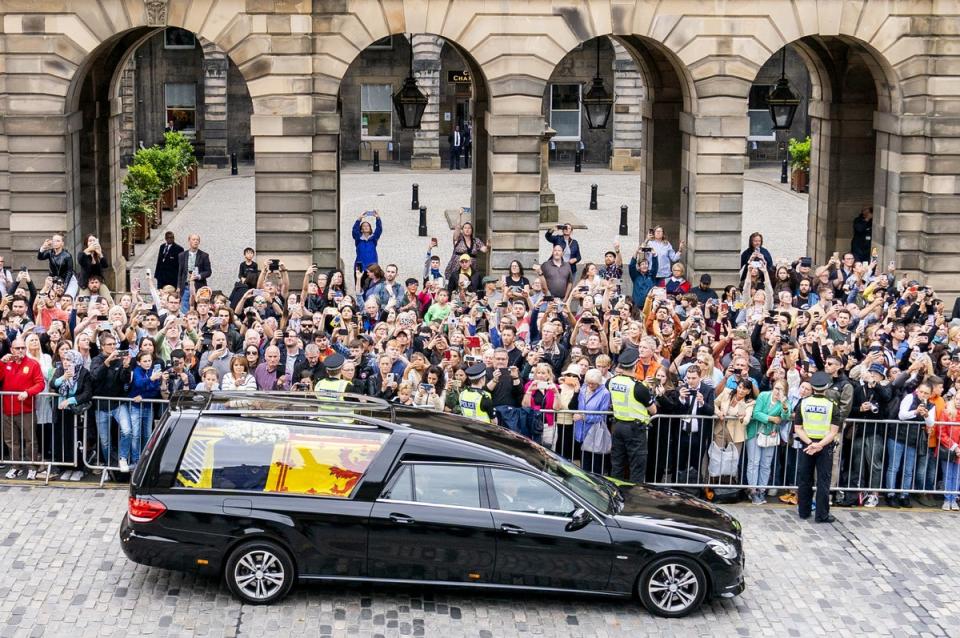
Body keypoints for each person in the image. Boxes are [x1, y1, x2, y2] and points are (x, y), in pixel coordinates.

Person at [793, 371, 843, 523]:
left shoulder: (803, 403)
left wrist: (810, 444)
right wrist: (819, 445)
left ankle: (803, 511)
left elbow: (798, 428)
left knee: (804, 479)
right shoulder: (832, 406)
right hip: (824, 446)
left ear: (813, 387)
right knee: (823, 481)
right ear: (827, 387)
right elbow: (833, 432)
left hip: (806, 445)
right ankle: (821, 515)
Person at [606, 348, 657, 482]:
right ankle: (635, 497)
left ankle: (615, 493)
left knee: (617, 464)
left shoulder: (612, 381)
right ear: (635, 366)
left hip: (617, 426)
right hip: (635, 430)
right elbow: (653, 411)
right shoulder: (638, 387)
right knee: (637, 466)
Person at [0, 337, 47, 479]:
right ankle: (15, 466)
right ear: (11, 349)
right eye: (17, 348)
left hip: (26, 409)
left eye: (22, 348)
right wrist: (1, 362)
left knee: (30, 439)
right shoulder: (6, 363)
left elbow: (40, 384)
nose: (20, 351)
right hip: (8, 409)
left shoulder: (33, 364)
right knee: (11, 440)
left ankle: (32, 466)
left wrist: (28, 392)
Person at [176, 233, 212, 314]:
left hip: (199, 286)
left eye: (197, 240)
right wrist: (178, 286)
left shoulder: (204, 255)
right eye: (193, 239)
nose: (196, 241)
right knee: (184, 307)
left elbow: (208, 271)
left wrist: (199, 276)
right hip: (185, 286)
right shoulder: (182, 255)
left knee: (199, 307)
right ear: (189, 241)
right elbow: (180, 272)